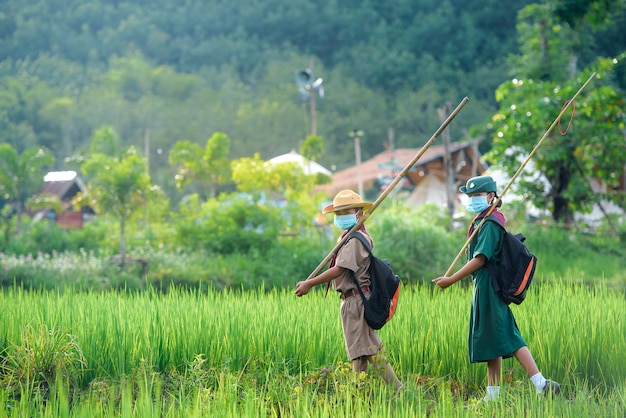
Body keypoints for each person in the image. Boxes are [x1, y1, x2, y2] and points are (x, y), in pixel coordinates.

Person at [432, 175, 560, 401]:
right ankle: (494, 394)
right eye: (469, 196)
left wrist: (451, 280)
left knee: (507, 334)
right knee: (493, 336)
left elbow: (480, 259)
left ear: (491, 197)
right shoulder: (482, 220)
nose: (471, 200)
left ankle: (540, 382)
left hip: (489, 285)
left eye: (477, 196)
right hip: (482, 285)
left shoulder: (490, 223)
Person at [295, 189, 403, 392]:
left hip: (357, 299)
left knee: (369, 348)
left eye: (347, 212)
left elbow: (340, 269)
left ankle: (397, 389)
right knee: (360, 350)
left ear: (360, 214)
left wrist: (310, 283)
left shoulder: (355, 240)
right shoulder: (348, 237)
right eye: (339, 214)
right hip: (351, 300)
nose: (342, 217)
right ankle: (357, 393)